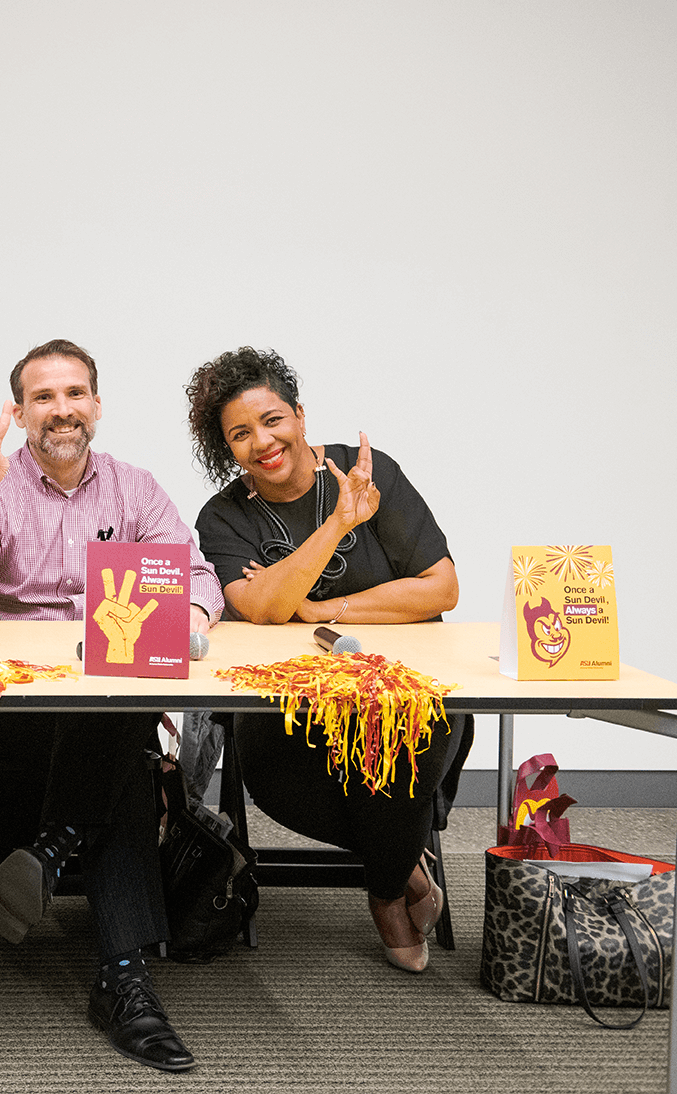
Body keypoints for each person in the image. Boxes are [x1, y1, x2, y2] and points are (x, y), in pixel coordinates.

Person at [0, 339, 219, 1073]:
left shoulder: (136, 489)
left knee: (118, 710)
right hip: (14, 718)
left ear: (97, 404)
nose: (62, 409)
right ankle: (118, 972)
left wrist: (188, 618)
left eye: (75, 393)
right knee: (123, 738)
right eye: (44, 397)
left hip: (107, 704)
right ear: (24, 412)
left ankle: (76, 886)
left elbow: (196, 575)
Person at [187, 345, 467, 973]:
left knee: (411, 736)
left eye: (273, 419)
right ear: (227, 447)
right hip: (291, 716)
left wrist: (318, 610)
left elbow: (439, 589)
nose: (262, 440)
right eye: (241, 433)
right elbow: (259, 608)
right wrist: (339, 527)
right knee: (287, 774)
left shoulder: (370, 475)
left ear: (300, 415)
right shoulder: (224, 516)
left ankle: (387, 894)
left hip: (406, 695)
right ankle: (405, 872)